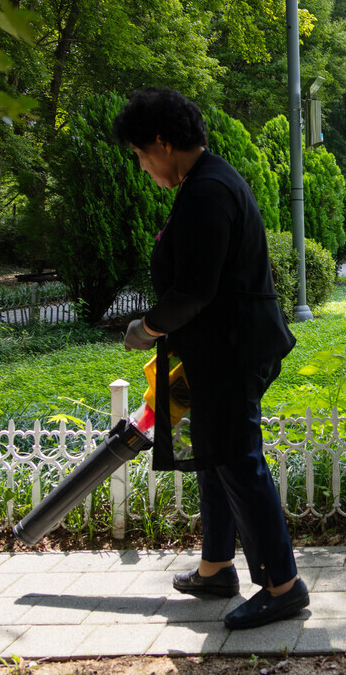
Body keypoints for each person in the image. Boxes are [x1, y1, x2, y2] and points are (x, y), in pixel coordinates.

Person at [112, 86, 307, 631]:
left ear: (161, 142)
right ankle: (217, 567)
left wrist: (145, 328)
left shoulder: (207, 191)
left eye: (139, 154)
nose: (142, 166)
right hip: (222, 345)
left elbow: (193, 291)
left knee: (238, 458)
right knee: (217, 455)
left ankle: (283, 585)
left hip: (232, 348)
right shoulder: (207, 181)